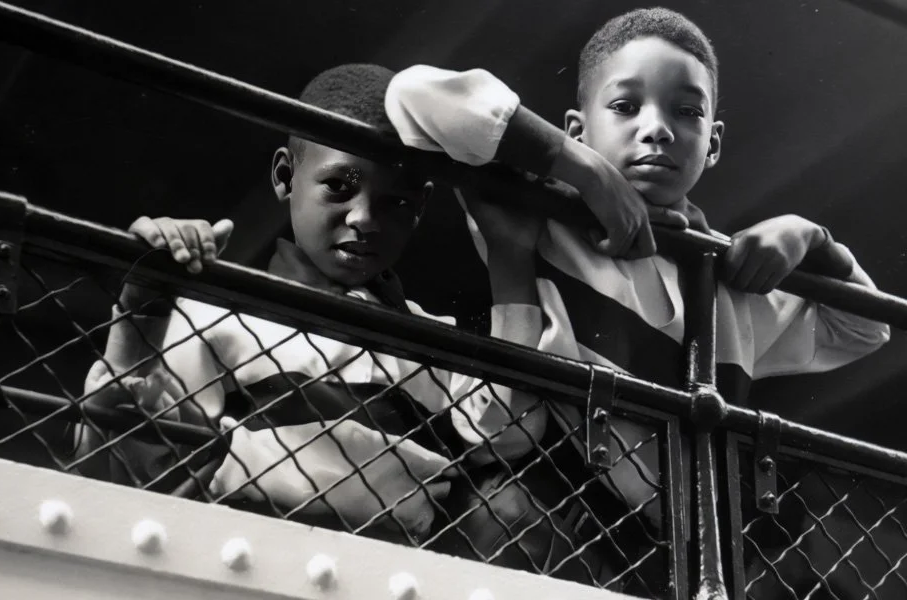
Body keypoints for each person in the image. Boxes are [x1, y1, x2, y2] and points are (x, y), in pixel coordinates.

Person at [74, 62, 660, 571]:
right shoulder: (218, 312)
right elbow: (133, 467)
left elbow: (505, 438)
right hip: (248, 558)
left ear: (421, 207)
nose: (364, 218)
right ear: (285, 177)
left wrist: (509, 256)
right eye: (338, 186)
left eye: (396, 202)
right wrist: (144, 308)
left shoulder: (433, 337)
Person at [383, 6, 891, 586]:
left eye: (687, 111)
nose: (657, 129)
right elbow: (413, 95)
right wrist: (583, 171)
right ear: (578, 129)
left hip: (675, 568)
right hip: (556, 534)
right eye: (625, 106)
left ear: (713, 143)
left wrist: (811, 238)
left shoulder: (730, 280)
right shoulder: (547, 217)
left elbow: (864, 329)